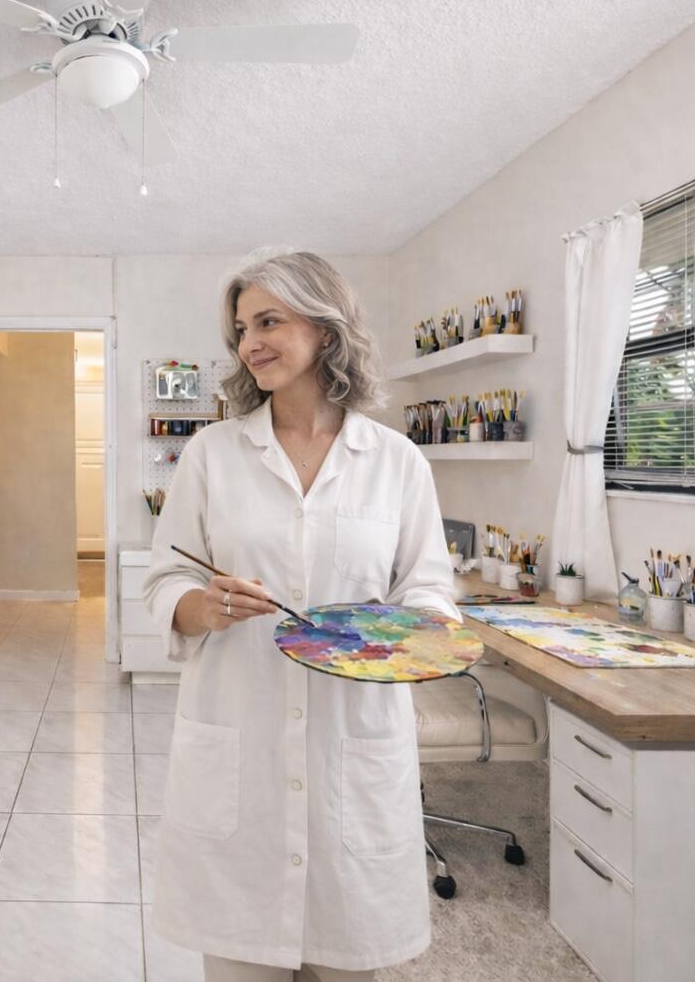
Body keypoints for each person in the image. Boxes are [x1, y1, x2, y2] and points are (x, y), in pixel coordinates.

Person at [143, 249, 460, 981]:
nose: (249, 343)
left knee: (349, 956)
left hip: (353, 747)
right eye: (241, 329)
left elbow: (428, 592)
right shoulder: (212, 455)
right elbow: (166, 580)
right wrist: (203, 606)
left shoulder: (397, 462)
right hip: (241, 744)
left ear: (325, 327)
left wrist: (396, 635)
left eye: (268, 322)